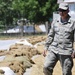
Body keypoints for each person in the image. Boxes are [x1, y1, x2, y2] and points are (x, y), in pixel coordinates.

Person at [43, 3, 75, 75]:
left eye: (63, 10)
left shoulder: (73, 23)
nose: (61, 12)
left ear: (68, 11)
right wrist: (46, 47)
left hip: (66, 52)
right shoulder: (55, 22)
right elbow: (50, 35)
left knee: (66, 72)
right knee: (46, 67)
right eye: (60, 10)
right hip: (54, 50)